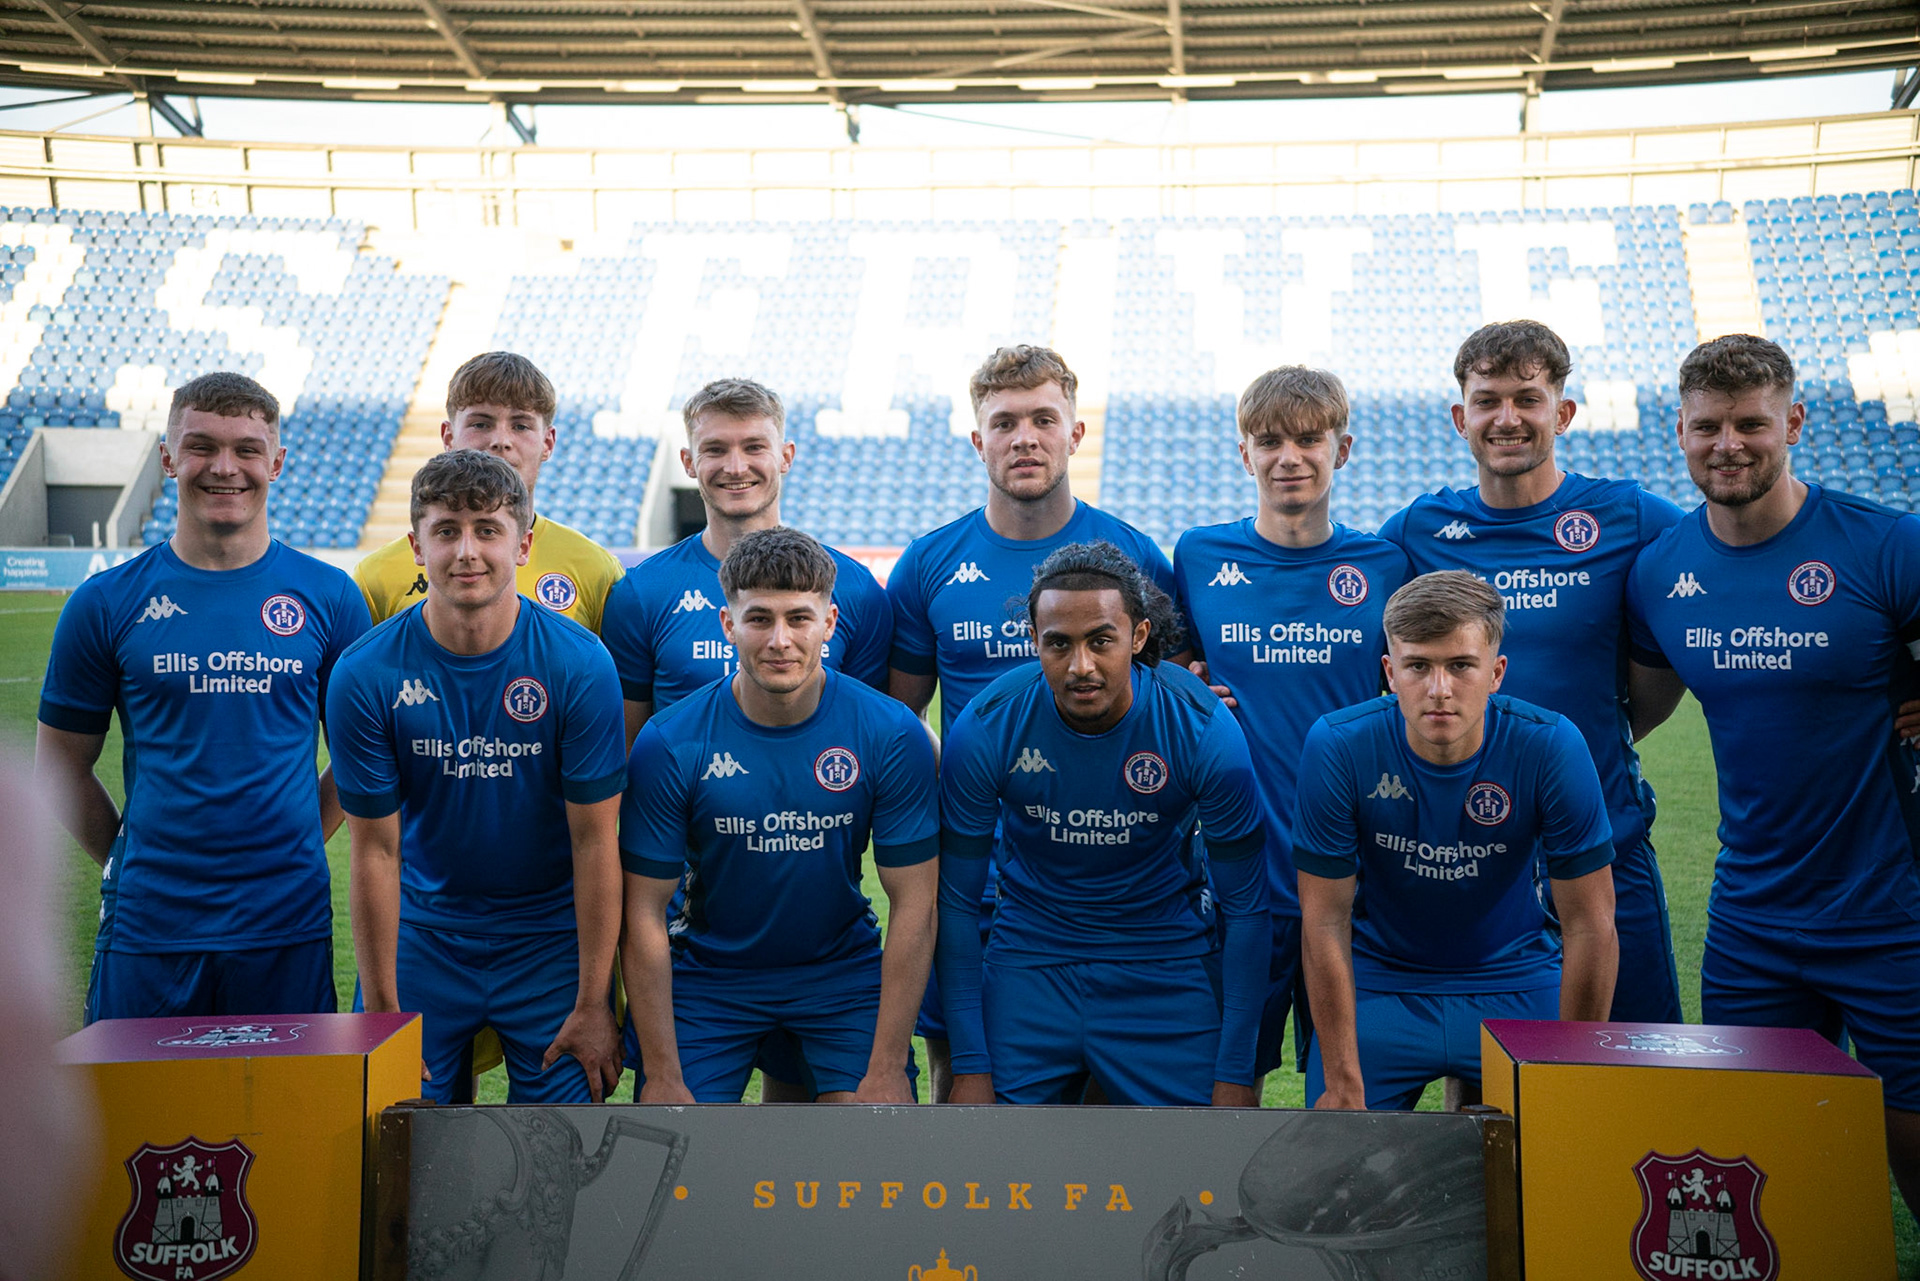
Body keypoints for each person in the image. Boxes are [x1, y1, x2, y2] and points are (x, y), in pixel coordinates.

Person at [1624, 333, 1920, 1217]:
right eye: (1708, 426)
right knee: (1758, 1164)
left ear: (1793, 423)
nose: (1729, 444)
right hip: (1752, 917)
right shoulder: (1661, 571)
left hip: (1893, 910)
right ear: (1680, 432)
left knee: (1912, 1139)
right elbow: (1634, 712)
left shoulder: (1886, 544)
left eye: (1751, 423)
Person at [888, 344, 1178, 1101]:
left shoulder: (1136, 557)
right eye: (1005, 422)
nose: (1025, 438)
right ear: (976, 439)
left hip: (1107, 881)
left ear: (1075, 433)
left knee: (1105, 1092)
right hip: (972, 878)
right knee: (966, 1084)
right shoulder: (929, 563)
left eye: (1044, 419)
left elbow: (1172, 704)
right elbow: (897, 720)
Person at [1378, 320, 1686, 1025]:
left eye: (1527, 399)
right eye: (1487, 400)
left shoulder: (1632, 516)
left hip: (1605, 840)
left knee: (1634, 1055)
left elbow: (1730, 574)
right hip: (1471, 859)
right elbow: (1347, 637)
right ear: (1460, 417)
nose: (1507, 418)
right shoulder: (1418, 531)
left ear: (1563, 412)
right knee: (1482, 1065)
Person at [37, 371, 370, 1021]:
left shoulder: (331, 598)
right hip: (148, 924)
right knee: (135, 1093)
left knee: (282, 1091)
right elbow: (59, 766)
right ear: (168, 458)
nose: (224, 467)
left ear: (277, 462)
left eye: (247, 449)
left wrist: (301, 835)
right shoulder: (104, 602)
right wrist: (130, 857)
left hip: (286, 922)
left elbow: (362, 758)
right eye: (201, 446)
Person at [599, 376, 892, 1102]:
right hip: (695, 924)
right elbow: (629, 759)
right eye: (716, 449)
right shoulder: (642, 593)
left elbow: (868, 741)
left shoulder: (854, 590)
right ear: (688, 461)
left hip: (818, 913)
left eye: (754, 446)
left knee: (811, 1131)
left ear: (785, 454)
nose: (736, 466)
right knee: (689, 1139)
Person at [354, 350, 626, 1098]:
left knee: (561, 1144)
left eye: (521, 423)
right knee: (408, 1132)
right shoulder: (374, 606)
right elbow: (371, 817)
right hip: (426, 918)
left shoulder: (590, 593)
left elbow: (599, 818)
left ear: (522, 543)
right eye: (446, 532)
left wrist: (597, 995)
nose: (467, 550)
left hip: (549, 924)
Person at [936, 541, 1265, 1106]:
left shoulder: (1203, 729)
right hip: (1030, 962)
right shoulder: (988, 725)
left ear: (1138, 636)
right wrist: (970, 1066)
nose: (1080, 666)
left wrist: (1234, 1075)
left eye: (1101, 641)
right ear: (1034, 640)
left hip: (1163, 965)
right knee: (991, 1153)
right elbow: (957, 904)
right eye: (1058, 643)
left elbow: (1247, 910)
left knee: (1198, 1156)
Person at [619, 527, 938, 1103]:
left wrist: (889, 1063)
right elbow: (642, 910)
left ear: (830, 623)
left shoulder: (890, 732)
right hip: (711, 976)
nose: (780, 640)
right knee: (682, 1142)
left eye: (799, 618)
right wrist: (663, 1074)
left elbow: (915, 902)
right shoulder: (671, 741)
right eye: (760, 619)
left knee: (874, 1138)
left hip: (840, 975)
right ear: (728, 625)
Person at [1295, 570, 1618, 1112]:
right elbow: (1325, 921)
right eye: (1418, 666)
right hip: (1382, 986)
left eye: (1461, 666)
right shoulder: (1339, 745)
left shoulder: (1550, 745)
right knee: (1338, 1155)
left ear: (1496, 673)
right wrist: (1343, 1077)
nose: (1439, 690)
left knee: (1552, 1152)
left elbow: (1591, 924)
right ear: (1389, 672)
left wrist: (1571, 1069)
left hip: (1515, 980)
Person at [1173, 366, 1408, 1089]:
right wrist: (1183, 681)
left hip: (1353, 882)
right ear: (1244, 454)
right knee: (1224, 1086)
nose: (1289, 457)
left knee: (1343, 1088)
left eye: (1309, 439)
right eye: (1269, 441)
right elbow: (1167, 670)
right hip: (1238, 880)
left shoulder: (1386, 565)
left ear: (1343, 449)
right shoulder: (1198, 556)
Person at [355, 350, 624, 633]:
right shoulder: (377, 578)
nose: (500, 440)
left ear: (548, 443)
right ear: (448, 436)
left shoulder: (596, 571)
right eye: (481, 424)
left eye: (520, 426)